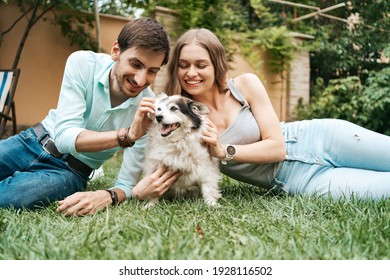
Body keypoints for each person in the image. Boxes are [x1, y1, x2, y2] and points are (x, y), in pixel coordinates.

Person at [162, 28, 390, 201]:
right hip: (300, 180)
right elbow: (166, 164)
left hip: (323, 138)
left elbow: (277, 148)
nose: (191, 73)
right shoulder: (179, 120)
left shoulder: (245, 85)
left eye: (200, 64)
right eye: (183, 65)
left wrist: (223, 151)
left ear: (216, 65)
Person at [0, 17, 180, 215]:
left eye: (152, 71)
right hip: (30, 142)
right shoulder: (83, 63)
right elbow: (65, 137)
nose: (140, 79)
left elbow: (127, 183)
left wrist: (107, 195)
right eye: (135, 64)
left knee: (9, 198)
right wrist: (127, 136)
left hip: (69, 173)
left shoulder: (150, 112)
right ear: (116, 51)